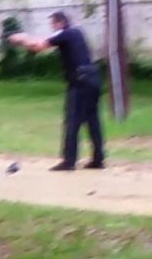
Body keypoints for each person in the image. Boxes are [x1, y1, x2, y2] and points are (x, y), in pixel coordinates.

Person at [8, 11, 105, 171]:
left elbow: (39, 46)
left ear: (60, 22)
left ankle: (69, 161)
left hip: (79, 81)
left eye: (53, 24)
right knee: (92, 120)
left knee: (72, 120)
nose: (52, 28)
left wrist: (22, 39)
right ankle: (98, 158)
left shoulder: (64, 32)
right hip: (93, 79)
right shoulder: (77, 32)